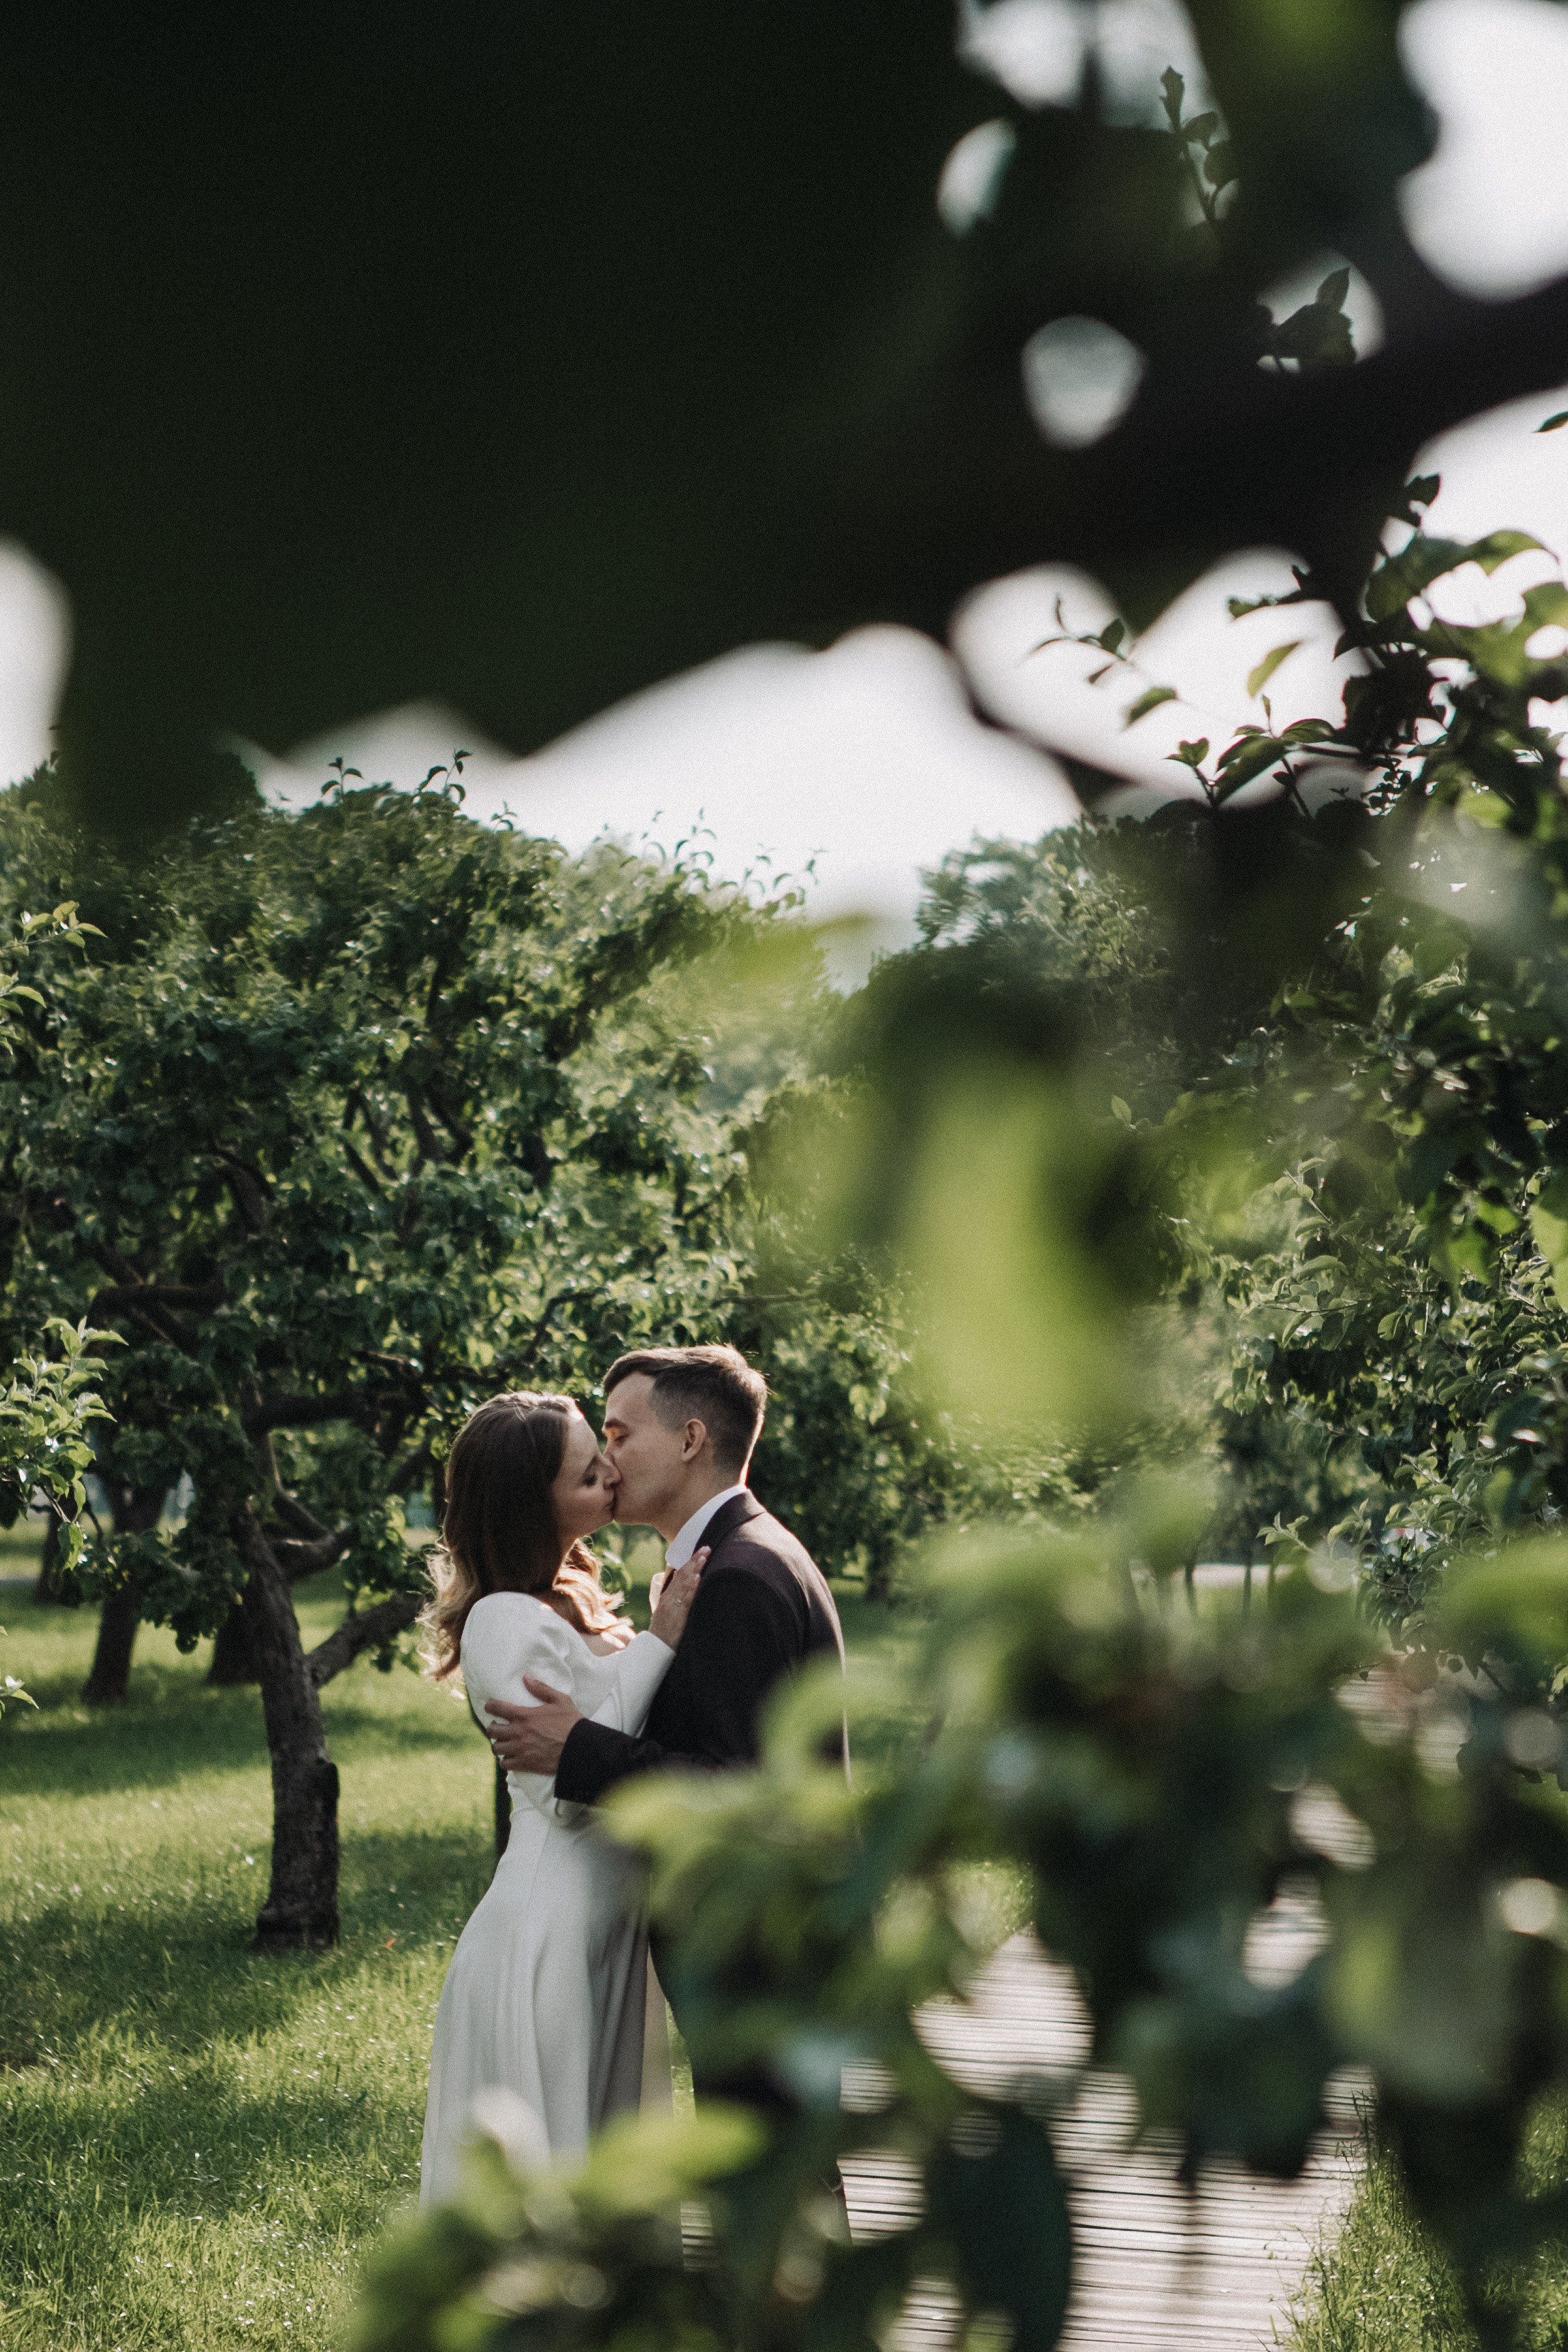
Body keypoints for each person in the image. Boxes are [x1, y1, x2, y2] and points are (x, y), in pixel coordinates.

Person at [484, 1343, 846, 2111]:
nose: (608, 1458)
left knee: (769, 2180)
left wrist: (576, 1746)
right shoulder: (741, 1558)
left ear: (689, 1441)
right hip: (761, 1939)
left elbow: (732, 1789)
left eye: (618, 1434)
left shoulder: (739, 1578)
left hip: (758, 1946)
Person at [417, 1389, 705, 2201]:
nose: (611, 1470)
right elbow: (571, 1792)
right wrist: (661, 1639)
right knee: (554, 2187)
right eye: (588, 1470)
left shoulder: (560, 1597)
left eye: (604, 1450)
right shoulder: (503, 1622)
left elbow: (602, 1722)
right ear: (531, 1502)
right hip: (548, 1934)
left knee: (607, 2171)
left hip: (604, 1922)